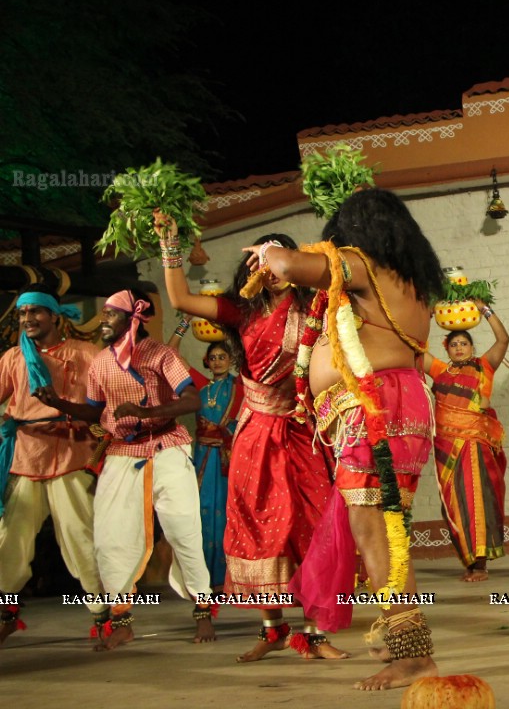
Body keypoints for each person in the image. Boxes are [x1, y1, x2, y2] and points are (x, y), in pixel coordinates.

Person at [261, 188, 444, 691]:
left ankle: (413, 654)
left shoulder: (362, 264)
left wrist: (268, 254)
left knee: (378, 534)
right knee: (384, 532)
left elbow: (293, 265)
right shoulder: (406, 278)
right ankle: (404, 644)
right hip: (390, 405)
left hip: (376, 409)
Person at [153, 213, 343, 662]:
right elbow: (179, 297)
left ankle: (314, 633)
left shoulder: (314, 308)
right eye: (263, 260)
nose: (272, 270)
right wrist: (169, 243)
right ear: (253, 269)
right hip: (257, 433)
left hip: (303, 430)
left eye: (280, 259)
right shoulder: (241, 312)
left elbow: (341, 276)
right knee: (260, 526)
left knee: (314, 525)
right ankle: (273, 628)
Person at [36, 289, 218, 650]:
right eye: (103, 315)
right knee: (109, 537)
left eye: (109, 315)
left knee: (183, 529)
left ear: (131, 319)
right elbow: (96, 411)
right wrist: (59, 404)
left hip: (167, 446)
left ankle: (203, 611)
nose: (103, 321)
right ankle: (121, 621)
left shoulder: (160, 355)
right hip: (122, 451)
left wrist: (148, 412)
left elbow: (192, 398)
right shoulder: (102, 362)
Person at [0, 286, 105, 644]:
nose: (28, 319)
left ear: (54, 316)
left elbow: (105, 401)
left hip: (71, 454)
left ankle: (106, 617)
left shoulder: (86, 354)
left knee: (81, 538)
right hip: (25, 456)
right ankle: (6, 613)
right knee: (10, 543)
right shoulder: (13, 358)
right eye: (23, 313)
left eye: (35, 312)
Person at [427, 305, 509, 581]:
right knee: (454, 503)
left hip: (475, 443)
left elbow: (503, 340)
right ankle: (468, 558)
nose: (459, 348)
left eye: (464, 343)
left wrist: (485, 310)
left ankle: (481, 564)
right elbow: (415, 351)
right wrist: (426, 315)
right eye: (454, 344)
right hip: (447, 447)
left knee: (477, 499)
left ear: (472, 347)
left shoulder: (483, 366)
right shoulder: (439, 371)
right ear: (447, 349)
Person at [168, 332, 242, 592]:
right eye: (213, 358)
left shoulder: (239, 386)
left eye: (223, 357)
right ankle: (202, 581)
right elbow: (171, 353)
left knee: (227, 513)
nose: (218, 361)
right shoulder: (200, 386)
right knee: (201, 511)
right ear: (206, 362)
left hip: (230, 457)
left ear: (231, 359)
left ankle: (228, 580)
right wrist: (185, 323)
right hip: (202, 457)